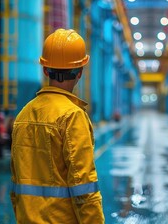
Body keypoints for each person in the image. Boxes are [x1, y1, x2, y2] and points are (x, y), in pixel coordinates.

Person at [10, 29, 105, 223]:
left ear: (45, 69)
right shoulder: (73, 116)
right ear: (80, 72)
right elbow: (84, 187)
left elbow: (16, 181)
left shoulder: (23, 115)